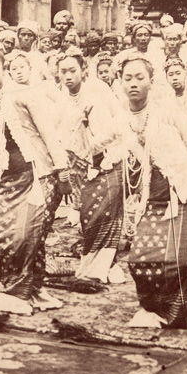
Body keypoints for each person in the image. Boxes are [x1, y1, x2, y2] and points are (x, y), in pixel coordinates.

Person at [0, 41, 70, 315]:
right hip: (6, 180)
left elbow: (47, 133)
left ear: (3, 67)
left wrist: (63, 170)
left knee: (24, 236)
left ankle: (22, 291)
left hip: (37, 176)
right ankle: (30, 288)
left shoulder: (23, 94)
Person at [120, 51, 187, 327]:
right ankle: (154, 305)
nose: (133, 83)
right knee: (140, 257)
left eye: (140, 77)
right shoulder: (122, 117)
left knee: (177, 261)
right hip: (151, 198)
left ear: (151, 81)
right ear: (120, 81)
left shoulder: (165, 110)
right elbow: (103, 140)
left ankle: (178, 308)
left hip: (185, 191)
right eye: (127, 78)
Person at [56, 47, 128, 284]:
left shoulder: (98, 89)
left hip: (108, 158)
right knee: (88, 215)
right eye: (63, 71)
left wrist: (97, 143)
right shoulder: (61, 97)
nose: (68, 76)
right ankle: (97, 262)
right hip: (79, 163)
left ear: (83, 69)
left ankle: (108, 263)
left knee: (106, 213)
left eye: (72, 70)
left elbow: (118, 121)